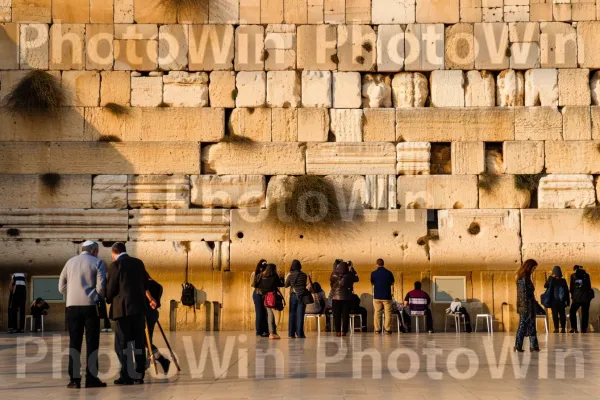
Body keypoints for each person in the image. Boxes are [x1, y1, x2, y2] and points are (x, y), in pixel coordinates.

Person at [58, 240, 107, 389]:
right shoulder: (98, 262)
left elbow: (61, 287)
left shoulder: (69, 262)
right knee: (92, 343)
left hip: (72, 307)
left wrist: (72, 295)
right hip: (90, 307)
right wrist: (94, 296)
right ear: (94, 250)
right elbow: (101, 286)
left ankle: (74, 380)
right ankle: (91, 378)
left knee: (74, 342)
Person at [106, 242, 151, 385]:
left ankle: (126, 375)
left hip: (122, 310)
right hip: (138, 309)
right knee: (138, 341)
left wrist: (107, 298)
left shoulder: (116, 265)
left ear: (114, 253)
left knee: (122, 343)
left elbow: (111, 287)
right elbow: (146, 283)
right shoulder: (138, 263)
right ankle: (139, 374)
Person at [145, 273, 171, 374]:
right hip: (153, 314)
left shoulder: (144, 286)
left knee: (144, 341)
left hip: (145, 315)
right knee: (148, 340)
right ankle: (147, 361)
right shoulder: (158, 285)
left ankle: (161, 360)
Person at [514, 259, 540, 352]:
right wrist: (526, 308)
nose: (534, 270)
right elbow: (523, 295)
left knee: (532, 325)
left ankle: (534, 346)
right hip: (525, 306)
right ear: (529, 267)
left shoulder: (527, 277)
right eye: (533, 268)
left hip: (529, 305)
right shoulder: (523, 278)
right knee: (523, 325)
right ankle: (518, 346)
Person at [255, 263, 284, 340]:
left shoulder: (263, 277)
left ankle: (273, 332)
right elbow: (281, 284)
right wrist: (281, 277)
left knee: (270, 314)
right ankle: (272, 333)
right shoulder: (274, 277)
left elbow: (259, 286)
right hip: (273, 298)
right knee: (272, 315)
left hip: (266, 298)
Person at [330, 260, 359, 336]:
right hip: (347, 298)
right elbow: (357, 278)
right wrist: (352, 269)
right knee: (345, 315)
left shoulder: (334, 274)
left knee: (337, 315)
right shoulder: (350, 275)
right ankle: (344, 331)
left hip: (336, 298)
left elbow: (331, 282)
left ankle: (338, 331)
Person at [285, 260, 308, 339]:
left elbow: (286, 285)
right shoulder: (304, 275)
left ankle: (291, 334)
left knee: (292, 314)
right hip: (302, 296)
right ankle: (300, 334)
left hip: (293, 296)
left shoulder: (290, 275)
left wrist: (288, 275)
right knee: (300, 315)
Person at [371, 258, 395, 334]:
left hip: (377, 296)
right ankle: (387, 329)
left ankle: (377, 329)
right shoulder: (389, 273)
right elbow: (392, 282)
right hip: (387, 296)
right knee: (388, 312)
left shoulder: (373, 273)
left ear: (377, 264)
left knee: (377, 312)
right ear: (383, 264)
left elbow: (372, 282)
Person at [569, 264, 594, 333]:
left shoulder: (573, 276)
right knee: (585, 313)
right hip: (586, 298)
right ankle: (584, 329)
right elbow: (589, 287)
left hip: (576, 298)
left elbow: (571, 288)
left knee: (572, 312)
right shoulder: (587, 275)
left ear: (575, 269)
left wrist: (573, 296)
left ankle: (574, 328)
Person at [545, 266, 569, 333]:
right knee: (562, 314)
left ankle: (556, 329)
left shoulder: (551, 279)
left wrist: (551, 278)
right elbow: (566, 291)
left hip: (553, 301)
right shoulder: (563, 280)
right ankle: (563, 328)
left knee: (555, 315)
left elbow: (545, 286)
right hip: (562, 300)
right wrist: (567, 301)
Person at [251, 260, 269, 337]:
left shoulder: (267, 274)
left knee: (265, 313)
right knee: (259, 313)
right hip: (258, 294)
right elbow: (252, 284)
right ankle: (258, 331)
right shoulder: (255, 273)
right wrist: (261, 275)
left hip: (265, 294)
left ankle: (265, 331)